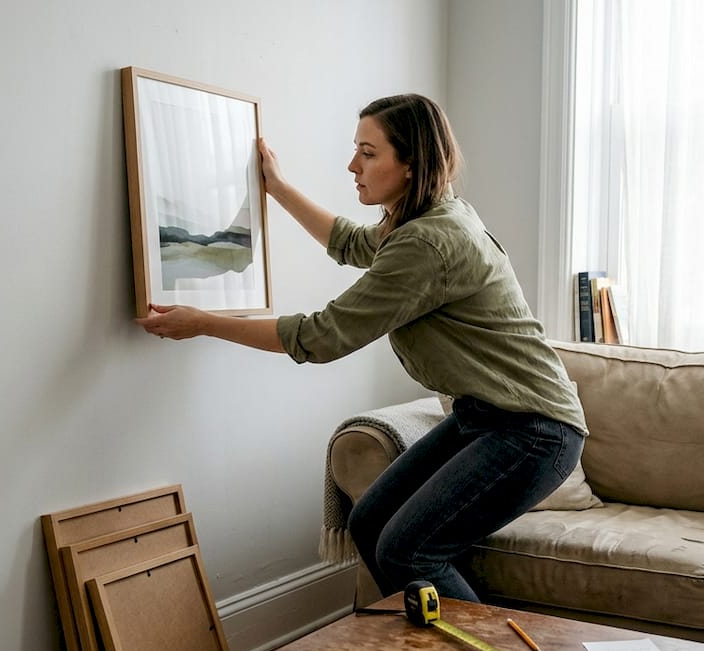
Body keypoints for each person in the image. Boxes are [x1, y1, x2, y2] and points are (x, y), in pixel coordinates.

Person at [137, 94, 587, 602]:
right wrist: (278, 189)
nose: (353, 165)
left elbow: (320, 337)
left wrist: (204, 323)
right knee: (370, 522)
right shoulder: (425, 218)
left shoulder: (428, 243)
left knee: (407, 550)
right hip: (486, 416)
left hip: (533, 430)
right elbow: (353, 242)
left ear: (412, 163)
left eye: (368, 153)